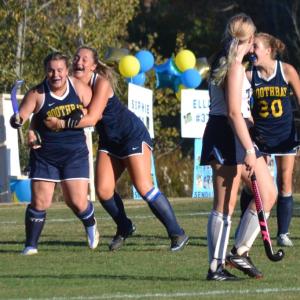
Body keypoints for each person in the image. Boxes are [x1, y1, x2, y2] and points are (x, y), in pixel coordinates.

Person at [44, 46, 189, 252]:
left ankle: (177, 233)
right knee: (103, 191)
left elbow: (92, 117)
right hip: (109, 141)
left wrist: (60, 124)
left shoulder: (101, 83)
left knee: (144, 187)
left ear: (93, 66)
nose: (79, 62)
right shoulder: (70, 86)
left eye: (85, 59)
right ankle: (125, 226)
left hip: (131, 135)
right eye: (77, 58)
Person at [200, 14, 277, 281]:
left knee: (268, 193)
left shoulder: (234, 63)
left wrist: (256, 144)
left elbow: (242, 111)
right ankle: (215, 268)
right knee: (225, 204)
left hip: (239, 134)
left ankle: (239, 252)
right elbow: (233, 112)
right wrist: (248, 148)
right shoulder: (231, 65)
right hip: (226, 135)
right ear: (250, 37)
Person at [10, 52, 100, 255]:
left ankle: (91, 223)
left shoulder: (78, 87)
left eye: (60, 70)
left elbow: (94, 112)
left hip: (74, 152)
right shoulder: (37, 93)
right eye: (51, 70)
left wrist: (81, 114)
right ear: (46, 71)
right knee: (40, 202)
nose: (56, 74)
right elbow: (21, 116)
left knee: (76, 202)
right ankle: (31, 245)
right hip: (45, 154)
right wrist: (17, 121)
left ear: (66, 71)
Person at [239, 32, 300, 247]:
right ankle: (244, 227)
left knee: (285, 181)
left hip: (285, 135)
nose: (252, 51)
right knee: (253, 185)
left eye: (255, 47)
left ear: (268, 50)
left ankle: (282, 233)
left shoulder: (287, 71)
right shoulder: (248, 75)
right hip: (260, 137)